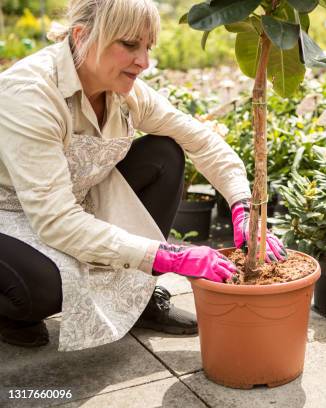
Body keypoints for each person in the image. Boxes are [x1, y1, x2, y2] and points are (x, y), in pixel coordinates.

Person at [0, 0, 286, 351]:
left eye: (147, 47)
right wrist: (170, 256)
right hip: (10, 214)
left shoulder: (126, 94)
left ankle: (140, 293)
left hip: (70, 201)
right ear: (82, 36)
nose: (144, 62)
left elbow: (201, 140)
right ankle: (12, 313)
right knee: (45, 289)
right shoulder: (30, 94)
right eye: (129, 45)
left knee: (165, 152)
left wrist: (243, 207)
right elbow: (57, 221)